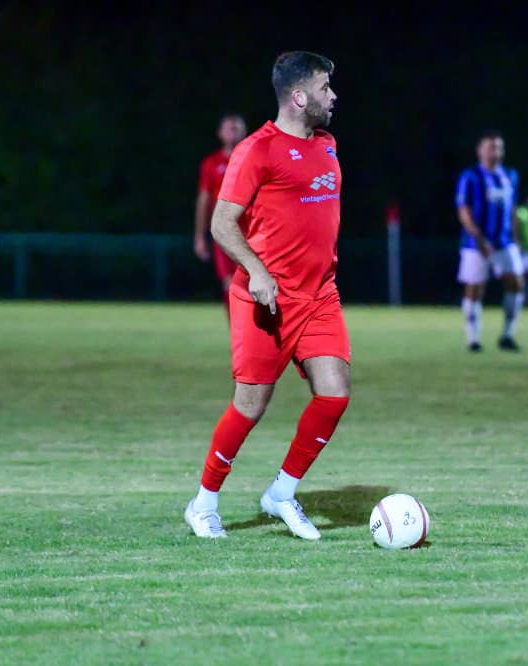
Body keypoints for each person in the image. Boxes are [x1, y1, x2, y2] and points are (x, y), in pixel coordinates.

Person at [184, 51, 349, 541]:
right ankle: (203, 502)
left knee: (334, 394)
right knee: (250, 405)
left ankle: (281, 492)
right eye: (324, 88)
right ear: (298, 97)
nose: (332, 96)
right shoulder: (256, 150)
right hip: (267, 300)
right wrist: (256, 270)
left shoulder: (328, 145)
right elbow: (221, 223)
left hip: (320, 295)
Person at [455, 131, 526, 352]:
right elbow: (463, 210)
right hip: (475, 243)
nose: (494, 151)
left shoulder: (510, 175)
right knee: (475, 288)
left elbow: (512, 209)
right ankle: (473, 339)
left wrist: (517, 238)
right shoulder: (471, 176)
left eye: (498, 147)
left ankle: (507, 335)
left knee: (516, 283)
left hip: (504, 242)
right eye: (490, 147)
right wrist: (478, 237)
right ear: (480, 150)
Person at [194, 113, 248, 317]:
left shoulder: (252, 159)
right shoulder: (211, 163)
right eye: (229, 128)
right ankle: (237, 328)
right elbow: (204, 200)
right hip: (225, 231)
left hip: (251, 231)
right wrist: (200, 236)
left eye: (237, 128)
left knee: (253, 280)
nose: (233, 132)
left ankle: (255, 329)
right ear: (220, 133)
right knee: (229, 283)